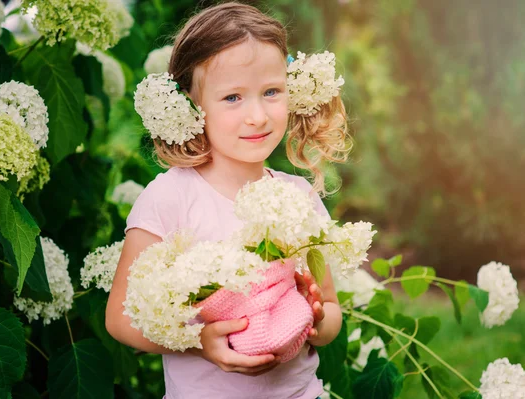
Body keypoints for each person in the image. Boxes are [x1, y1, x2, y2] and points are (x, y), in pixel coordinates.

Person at [105, 2, 350, 398]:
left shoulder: (298, 196)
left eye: (271, 92)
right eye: (233, 98)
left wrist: (315, 320)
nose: (257, 115)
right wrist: (198, 342)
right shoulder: (171, 197)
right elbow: (119, 318)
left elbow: (332, 309)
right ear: (191, 106)